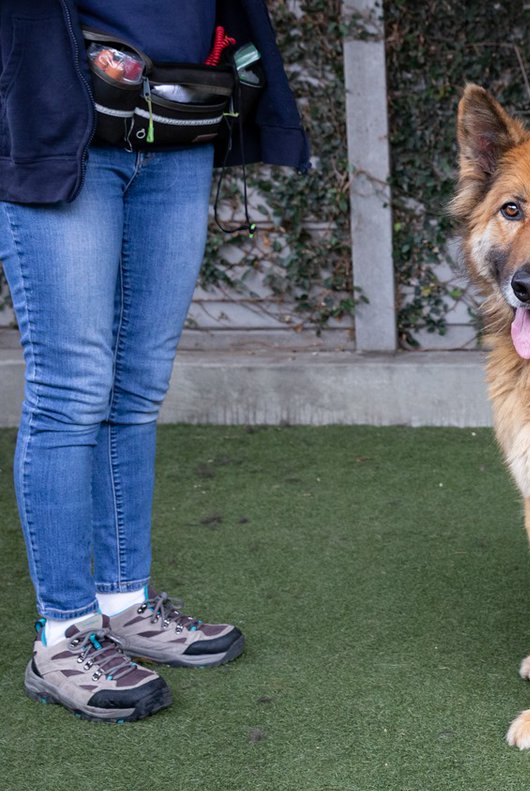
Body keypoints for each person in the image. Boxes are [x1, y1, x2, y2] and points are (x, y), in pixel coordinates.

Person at [0, 0, 310, 722]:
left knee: (137, 390)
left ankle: (123, 605)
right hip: (61, 119)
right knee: (72, 391)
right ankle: (62, 637)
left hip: (178, 118)